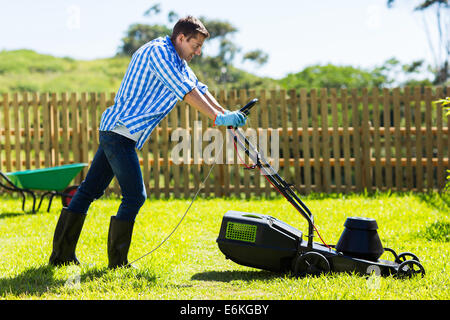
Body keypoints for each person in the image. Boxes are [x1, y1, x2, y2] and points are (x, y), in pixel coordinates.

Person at [48, 16, 247, 269]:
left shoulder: (178, 60)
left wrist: (226, 114)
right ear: (181, 38)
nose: (198, 51)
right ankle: (117, 263)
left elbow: (199, 87)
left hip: (119, 133)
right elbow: (185, 91)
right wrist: (218, 118)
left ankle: (61, 256)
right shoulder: (159, 53)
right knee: (134, 196)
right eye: (195, 45)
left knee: (89, 191)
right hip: (120, 132)